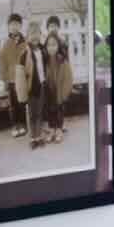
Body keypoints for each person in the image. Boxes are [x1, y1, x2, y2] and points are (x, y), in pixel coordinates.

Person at [0, 13, 32, 138]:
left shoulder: (25, 42)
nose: (14, 27)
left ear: (21, 26)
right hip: (11, 79)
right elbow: (3, 63)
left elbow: (29, 60)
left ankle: (23, 124)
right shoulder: (5, 45)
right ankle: (15, 125)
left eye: (17, 24)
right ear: (8, 27)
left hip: (22, 78)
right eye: (11, 24)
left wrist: (29, 76)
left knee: (21, 102)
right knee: (12, 105)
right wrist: (4, 80)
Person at [41, 15, 73, 145]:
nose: (51, 48)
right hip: (50, 88)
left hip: (60, 87)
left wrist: (65, 91)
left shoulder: (62, 58)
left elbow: (68, 75)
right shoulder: (46, 58)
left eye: (55, 26)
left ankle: (59, 129)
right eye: (50, 26)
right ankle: (52, 129)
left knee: (60, 109)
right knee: (50, 109)